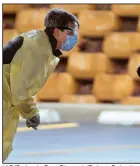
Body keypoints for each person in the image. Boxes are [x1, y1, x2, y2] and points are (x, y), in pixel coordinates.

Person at [3, 8, 79, 162]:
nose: (75, 37)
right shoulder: (36, 50)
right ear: (56, 31)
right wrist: (31, 114)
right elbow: (20, 92)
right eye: (71, 32)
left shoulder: (39, 43)